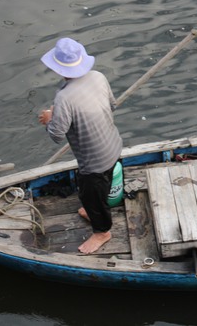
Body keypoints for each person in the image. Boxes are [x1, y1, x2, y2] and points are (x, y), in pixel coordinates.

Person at [38, 37, 123, 254]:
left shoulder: (63, 97)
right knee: (101, 187)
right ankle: (96, 213)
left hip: (94, 161)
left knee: (90, 195)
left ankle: (102, 232)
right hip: (114, 144)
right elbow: (111, 105)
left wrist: (50, 118)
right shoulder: (98, 76)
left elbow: (57, 134)